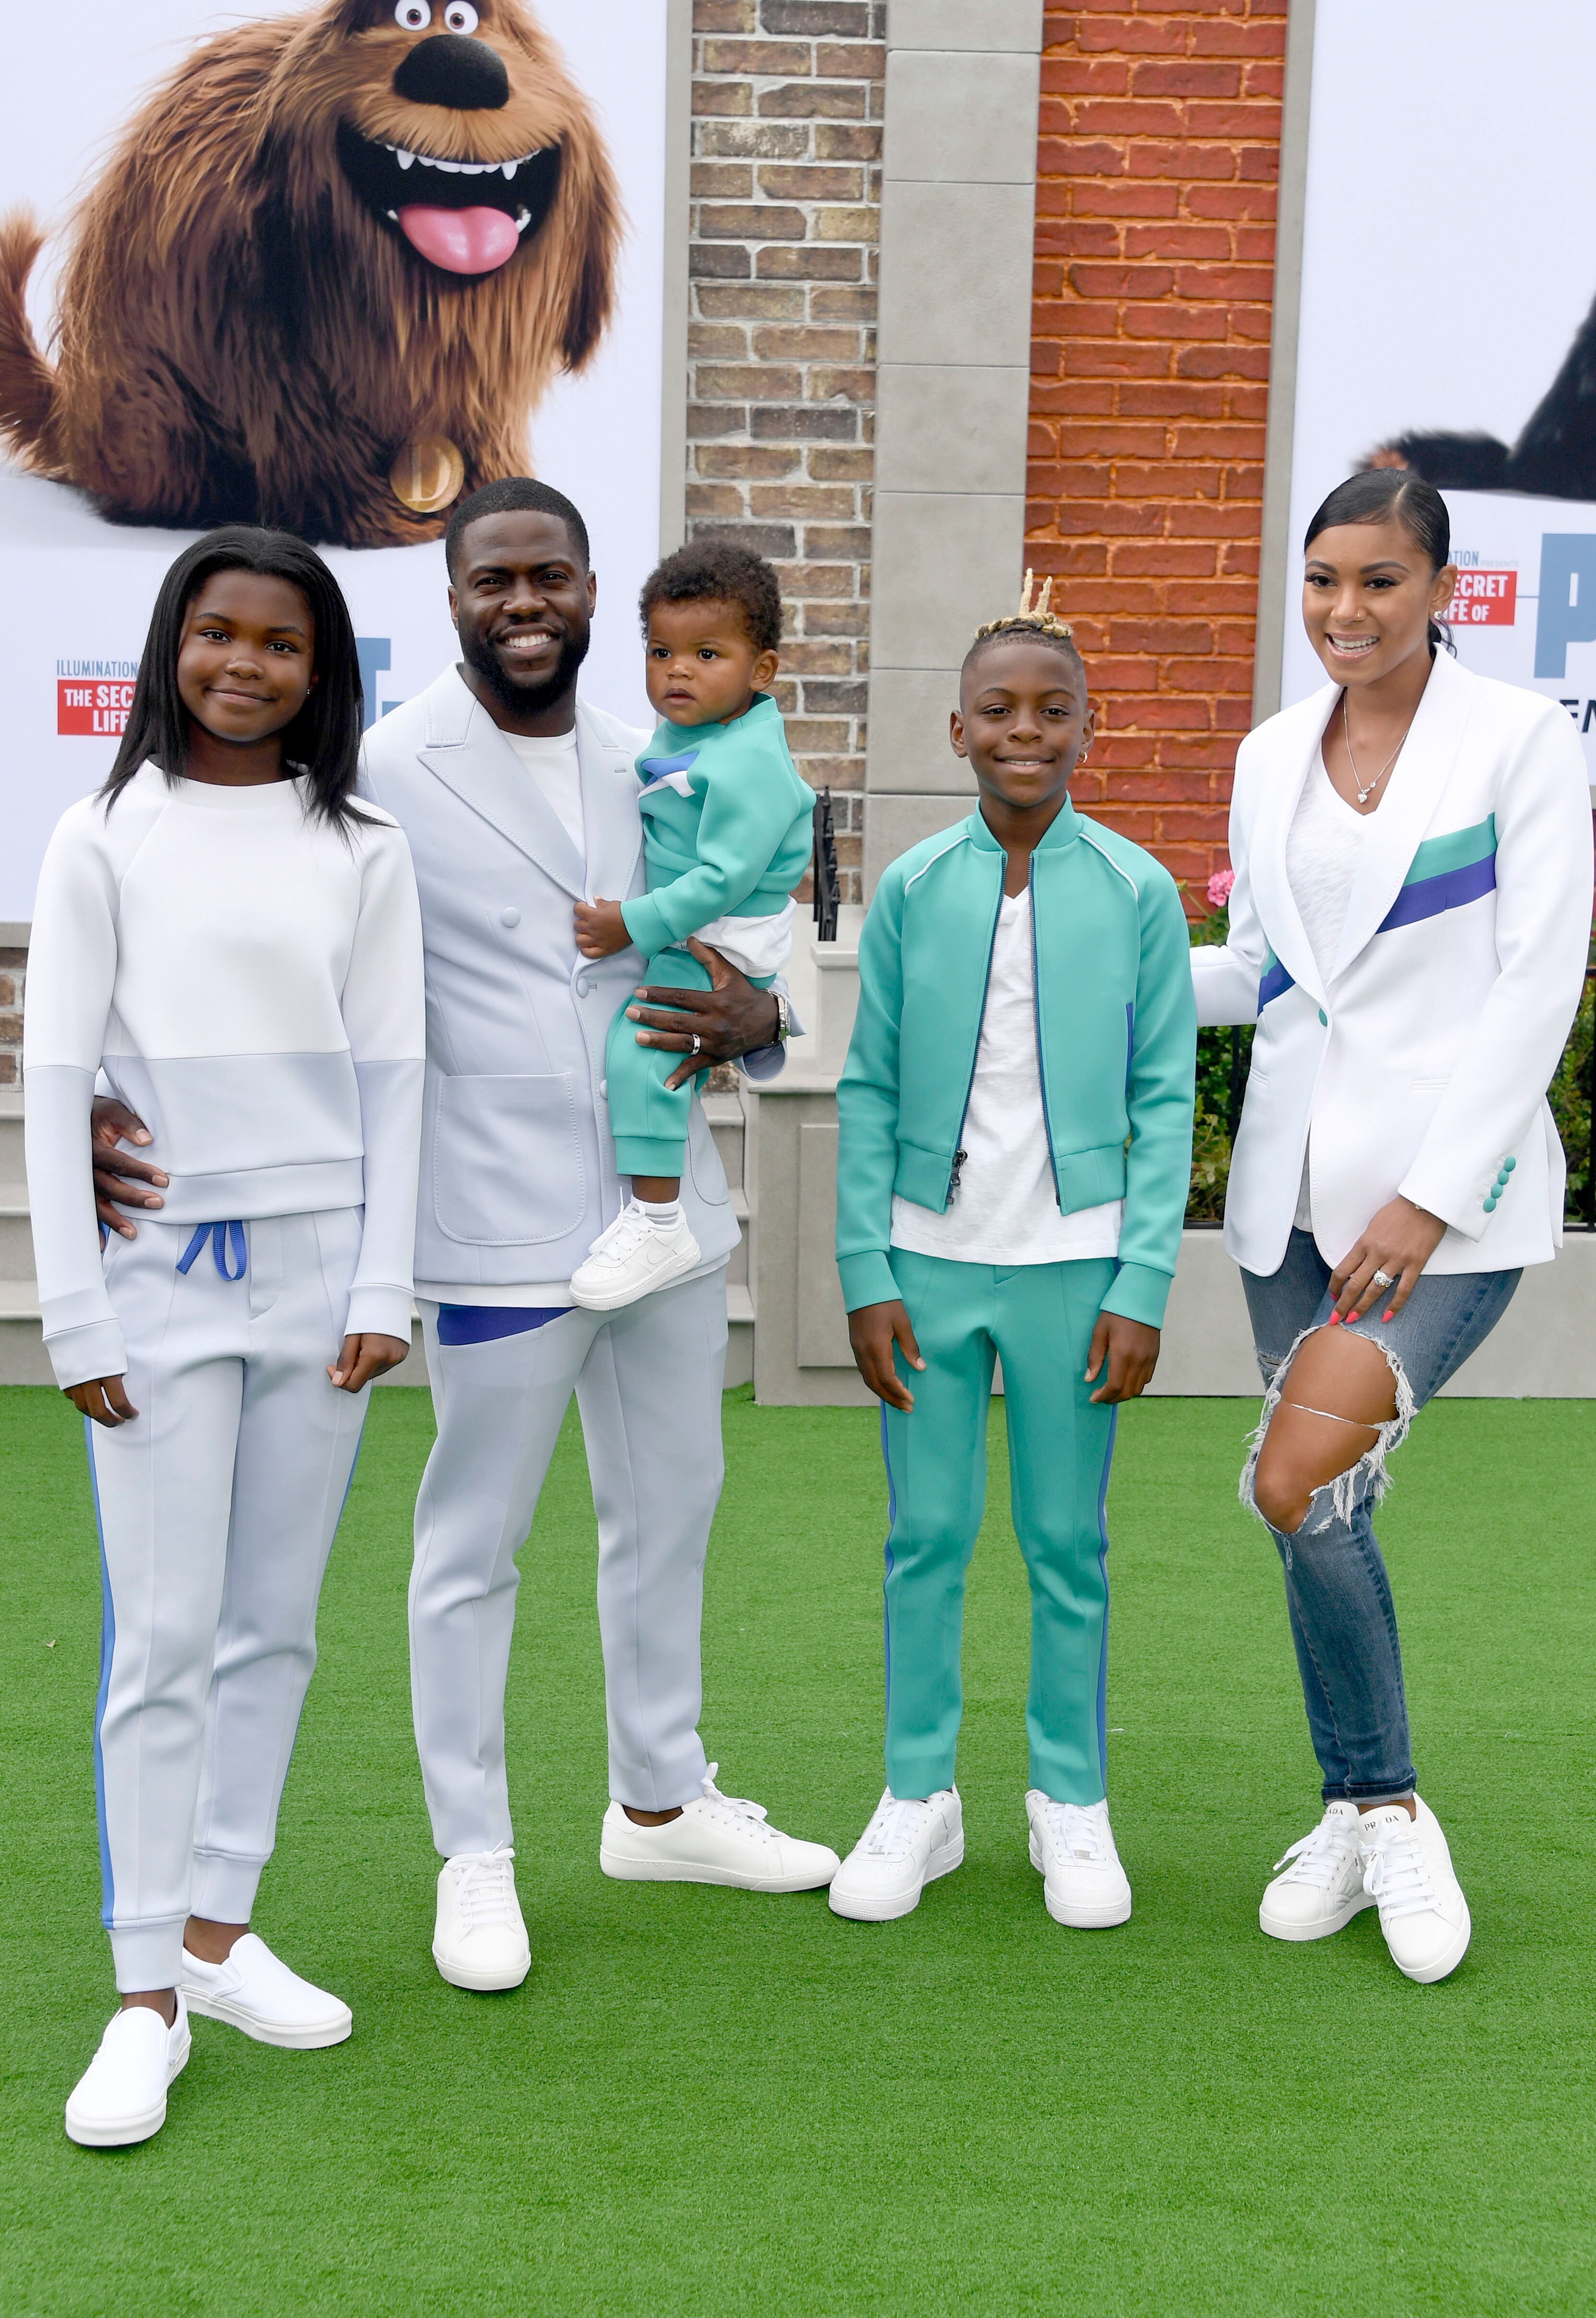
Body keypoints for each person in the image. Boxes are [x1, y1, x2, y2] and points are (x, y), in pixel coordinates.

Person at [94, 479, 839, 1996]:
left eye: (550, 577)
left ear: (587, 591)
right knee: (470, 1547)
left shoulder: (672, 748)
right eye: (493, 579)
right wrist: (107, 1093)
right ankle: (474, 1853)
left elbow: (763, 926)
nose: (524, 603)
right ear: (449, 599)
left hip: (664, 1212)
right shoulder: (377, 768)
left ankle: (661, 1796)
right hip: (488, 1221)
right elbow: (243, 936)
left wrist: (773, 1023)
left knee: (671, 1511)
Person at [28, 527, 425, 2146]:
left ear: (320, 668)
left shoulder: (365, 843)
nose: (245, 664)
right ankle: (142, 1998)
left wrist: (380, 1287)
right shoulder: (102, 832)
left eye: (281, 641)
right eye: (217, 633)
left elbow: (398, 1075)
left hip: (319, 1279)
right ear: (170, 645)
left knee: (275, 1628)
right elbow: (55, 1084)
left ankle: (218, 1933)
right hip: (158, 1287)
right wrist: (74, 1308)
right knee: (165, 1635)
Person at [1193, 469, 1592, 1984]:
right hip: (1289, 1201)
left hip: (1441, 1209)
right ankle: (1352, 1813)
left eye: (1376, 582)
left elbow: (1536, 980)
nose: (1343, 613)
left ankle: (1391, 1806)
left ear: (1441, 586)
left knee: (1296, 1479)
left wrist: (1429, 1198)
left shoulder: (1517, 742)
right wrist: (1103, 965)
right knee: (1323, 1514)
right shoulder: (1271, 750)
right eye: (1321, 583)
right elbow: (1261, 972)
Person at [829, 577, 1195, 1926]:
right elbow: (868, 1088)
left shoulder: (1139, 890)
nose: (1024, 731)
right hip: (928, 1271)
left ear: (1089, 731)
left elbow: (1165, 1099)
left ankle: (1069, 1804)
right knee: (925, 1533)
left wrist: (1141, 1282)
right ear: (956, 731)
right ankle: (917, 1797)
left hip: (1078, 1273)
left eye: (1053, 711)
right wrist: (868, 1272)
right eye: (999, 710)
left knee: (1063, 1542)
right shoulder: (916, 890)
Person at [570, 540, 815, 1311]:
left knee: (643, 1044)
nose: (676, 670)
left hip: (720, 937)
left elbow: (723, 879)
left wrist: (629, 926)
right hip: (702, 924)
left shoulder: (746, 762)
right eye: (659, 651)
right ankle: (647, 1209)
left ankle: (657, 1218)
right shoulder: (698, 734)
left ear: (761, 671)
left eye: (706, 653)